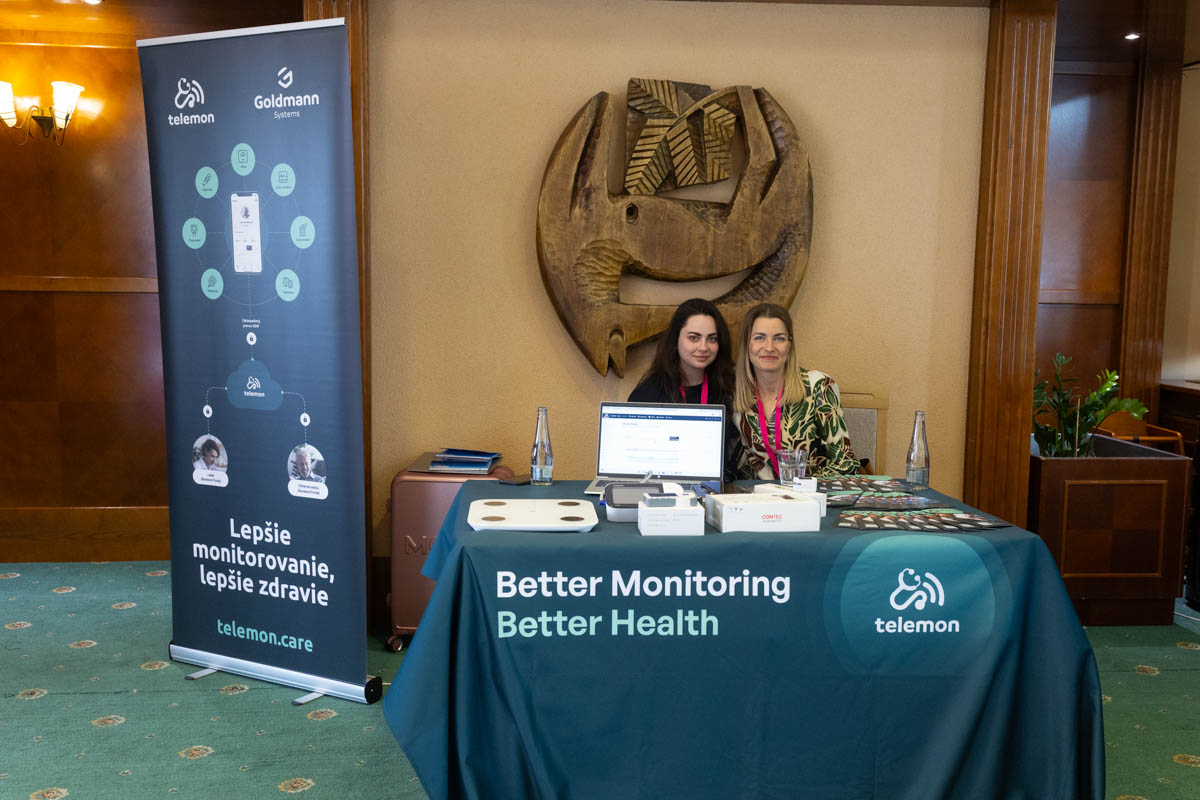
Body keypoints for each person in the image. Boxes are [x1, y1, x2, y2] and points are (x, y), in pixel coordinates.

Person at [731, 303, 859, 479]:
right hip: (755, 494)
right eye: (759, 338)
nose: (769, 347)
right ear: (747, 344)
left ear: (789, 344)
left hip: (811, 492)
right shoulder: (734, 393)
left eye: (779, 338)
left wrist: (804, 486)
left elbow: (845, 464)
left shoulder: (818, 387)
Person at [628, 299, 737, 478]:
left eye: (712, 339)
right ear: (675, 339)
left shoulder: (730, 389)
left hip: (716, 487)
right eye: (694, 338)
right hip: (662, 485)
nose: (703, 347)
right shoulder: (648, 393)